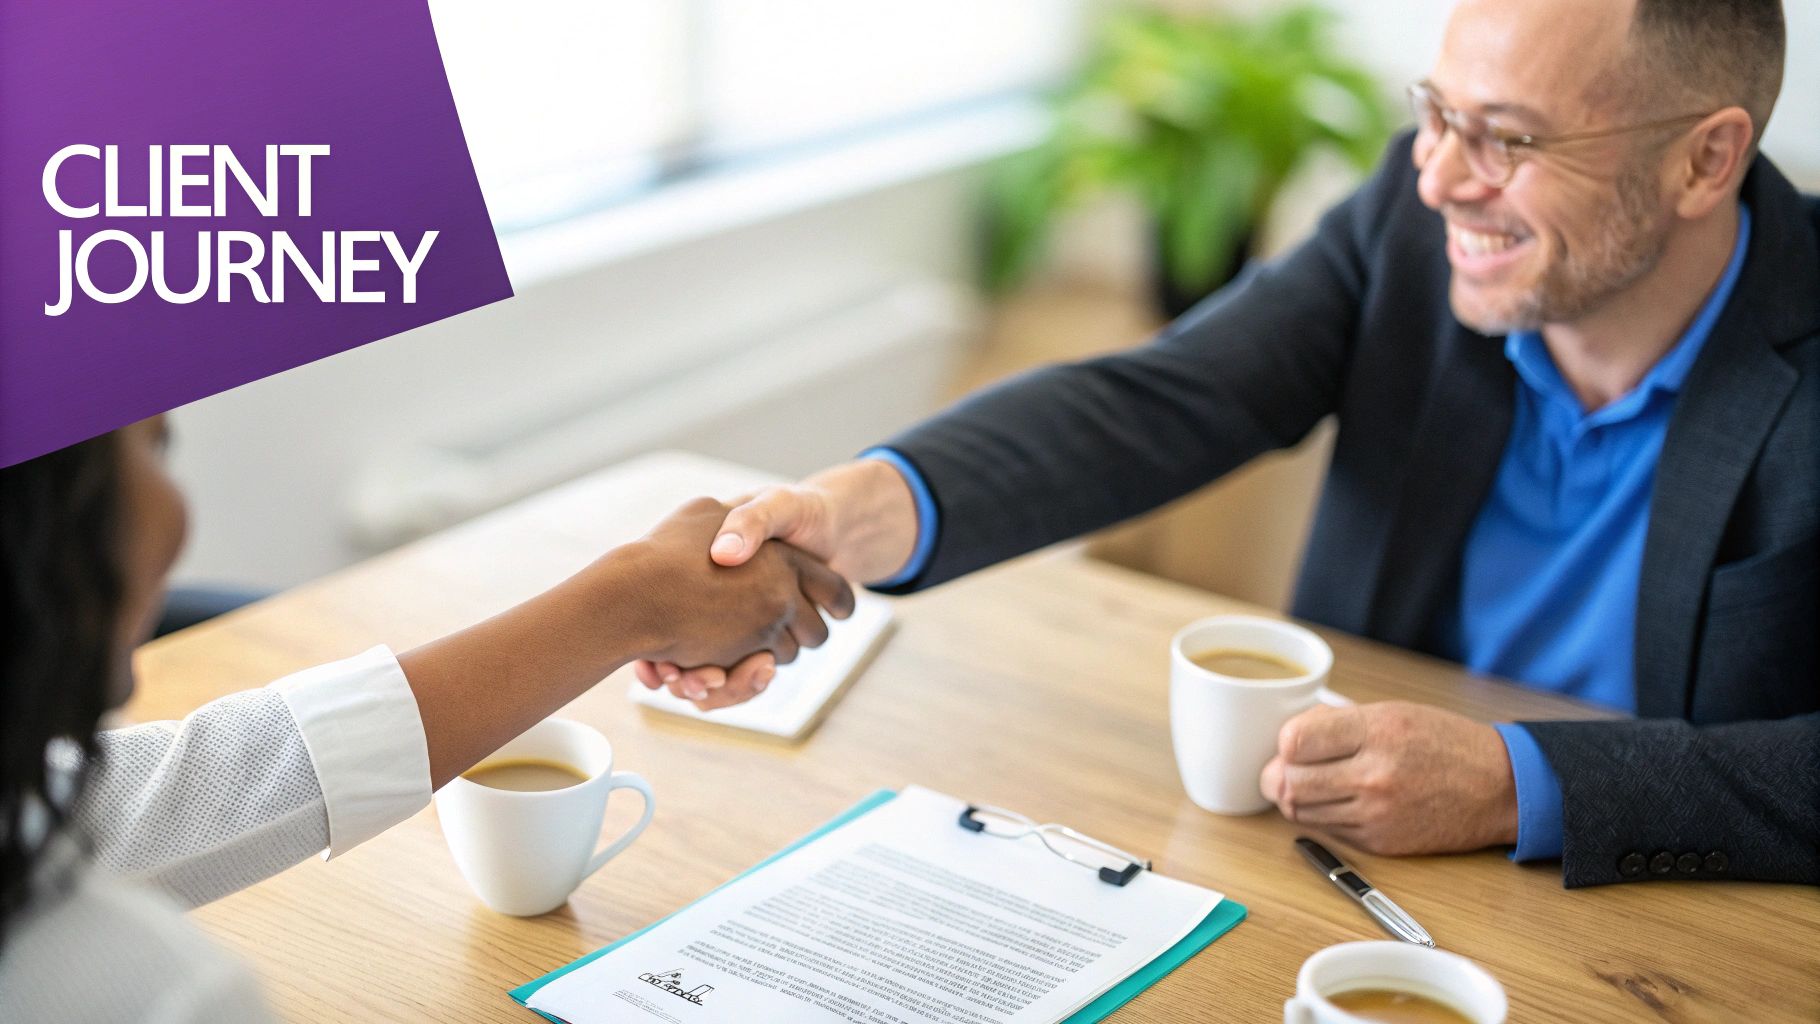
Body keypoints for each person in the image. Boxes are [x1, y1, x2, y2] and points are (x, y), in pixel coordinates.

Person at [642, 0, 1819, 888]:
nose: (1438, 176)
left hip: (1665, 902)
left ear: (1703, 160)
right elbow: (1167, 398)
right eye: (1437, 113)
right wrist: (854, 511)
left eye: (1506, 140)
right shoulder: (1409, 236)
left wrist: (1520, 784)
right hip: (1335, 856)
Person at [0, 417, 853, 1020]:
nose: (177, 510)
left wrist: (630, 599)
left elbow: (125, 809)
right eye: (151, 443)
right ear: (42, 514)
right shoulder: (147, 992)